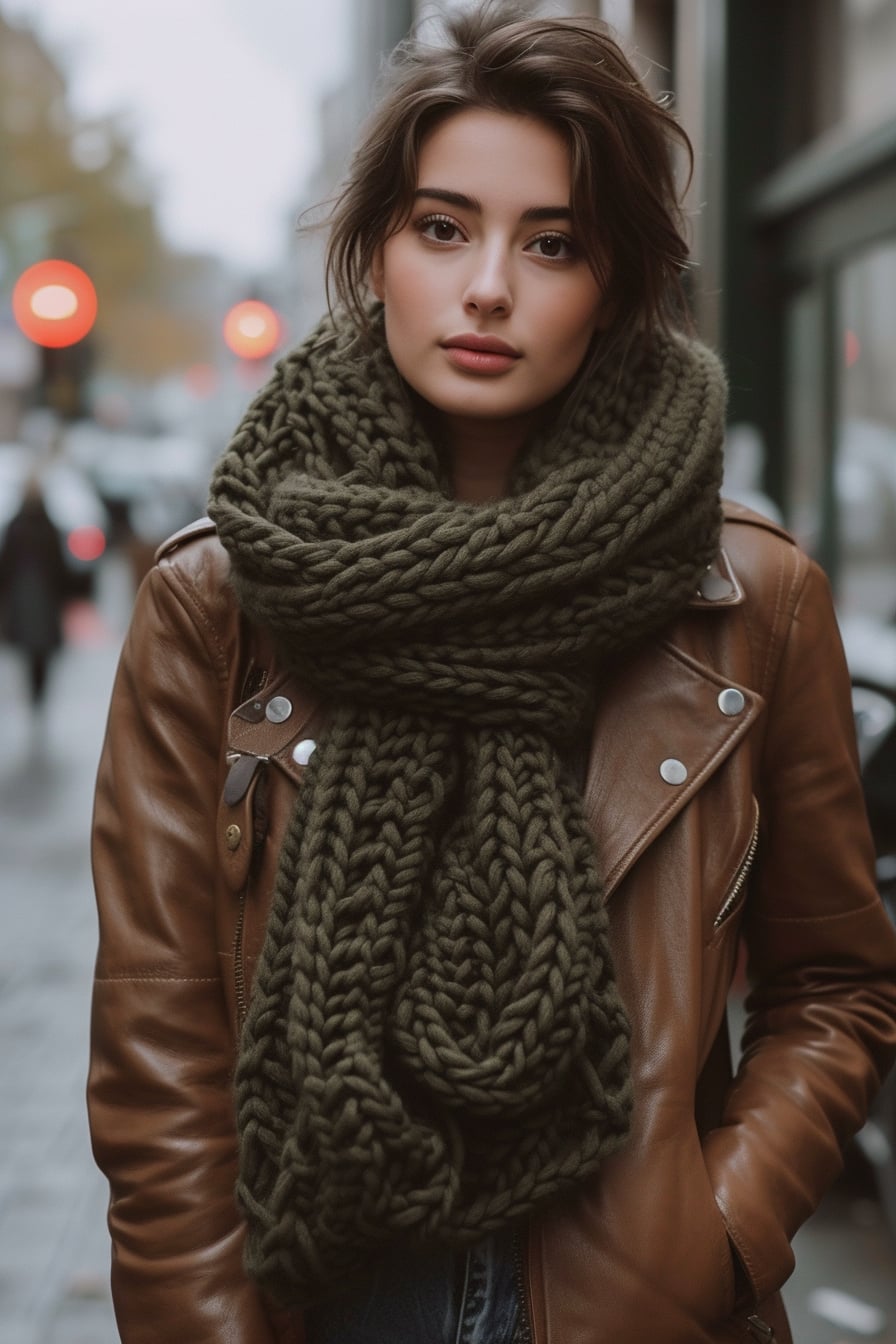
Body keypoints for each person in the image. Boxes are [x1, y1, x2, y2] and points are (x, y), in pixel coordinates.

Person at [87, 5, 896, 1343]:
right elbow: (156, 1053)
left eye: (553, 242)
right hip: (320, 1296)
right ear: (377, 251)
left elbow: (837, 985)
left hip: (638, 1298)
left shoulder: (748, 599)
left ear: (619, 275)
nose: (487, 289)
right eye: (442, 227)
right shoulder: (220, 599)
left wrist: (718, 1232)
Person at [0, 475, 70, 719]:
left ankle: (36, 693)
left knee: (35, 651)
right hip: (38, 597)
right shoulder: (44, 526)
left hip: (32, 597)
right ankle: (37, 693)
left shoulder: (19, 526)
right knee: (38, 652)